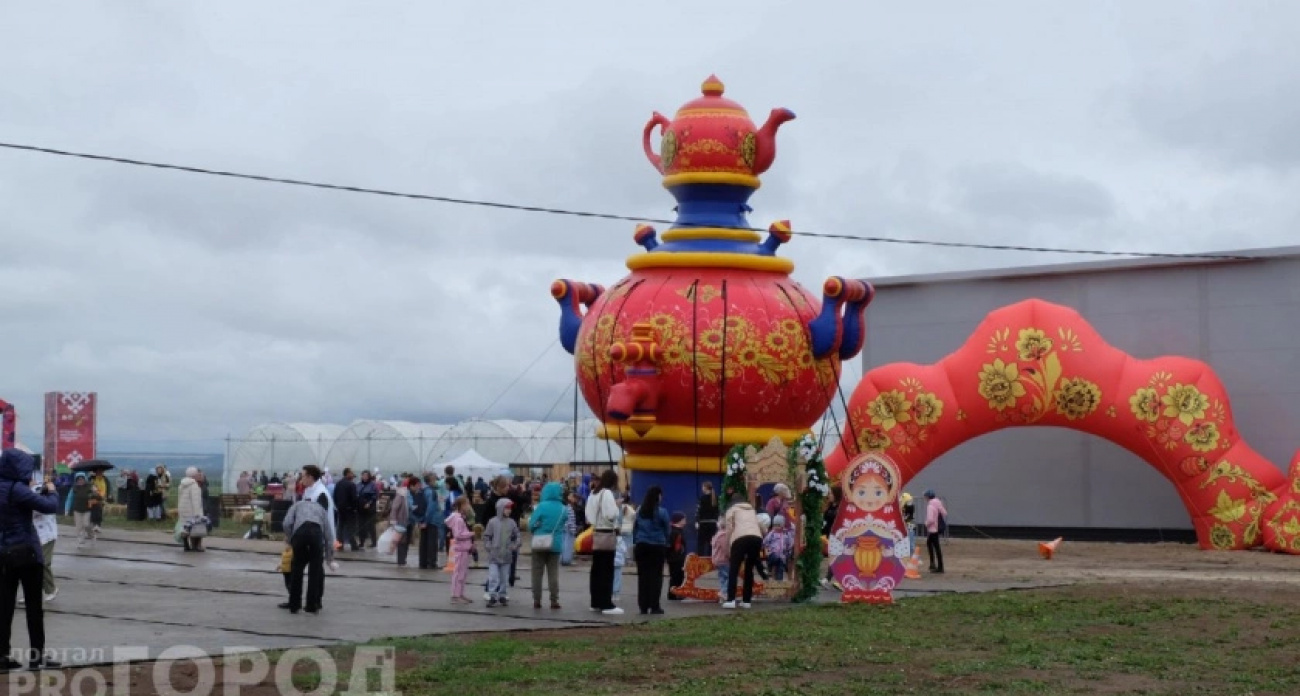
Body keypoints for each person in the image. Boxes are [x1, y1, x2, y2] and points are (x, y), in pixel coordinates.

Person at [0, 448, 62, 670]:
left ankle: (2, 656)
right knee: (34, 607)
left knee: (4, 607)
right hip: (27, 553)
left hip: (4, 553)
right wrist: (52, 491)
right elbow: (50, 507)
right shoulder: (17, 489)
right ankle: (37, 657)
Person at [280, 483, 339, 614]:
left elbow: (286, 523)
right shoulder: (320, 509)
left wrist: (290, 538)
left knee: (297, 569)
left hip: (299, 535)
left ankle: (294, 605)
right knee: (315, 570)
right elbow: (329, 535)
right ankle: (312, 605)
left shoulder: (296, 505)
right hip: (316, 535)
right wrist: (330, 558)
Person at [585, 470, 623, 615]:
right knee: (607, 570)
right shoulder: (607, 493)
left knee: (596, 570)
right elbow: (611, 514)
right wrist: (616, 505)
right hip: (607, 533)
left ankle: (595, 602)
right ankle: (606, 603)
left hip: (596, 532)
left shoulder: (593, 493)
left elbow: (589, 515)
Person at [723, 494, 765, 609]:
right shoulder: (752, 511)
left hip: (739, 538)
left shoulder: (732, 510)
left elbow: (729, 529)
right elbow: (762, 526)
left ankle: (731, 599)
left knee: (734, 569)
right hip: (756, 538)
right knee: (749, 569)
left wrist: (727, 546)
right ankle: (746, 601)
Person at [528, 482, 566, 609]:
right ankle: (554, 600)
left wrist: (537, 528)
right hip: (555, 544)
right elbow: (563, 523)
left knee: (537, 573)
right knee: (553, 573)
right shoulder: (563, 508)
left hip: (539, 542)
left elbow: (531, 524)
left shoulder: (541, 506)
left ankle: (537, 600)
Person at [632, 486, 670, 615]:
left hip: (641, 545)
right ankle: (655, 606)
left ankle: (643, 605)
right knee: (656, 577)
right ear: (658, 496)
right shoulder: (662, 512)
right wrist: (665, 541)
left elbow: (635, 528)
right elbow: (667, 530)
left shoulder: (639, 512)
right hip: (657, 546)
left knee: (643, 577)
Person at [483, 499, 520, 607]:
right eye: (507, 508)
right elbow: (487, 536)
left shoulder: (512, 522)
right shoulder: (492, 522)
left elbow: (517, 535)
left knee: (504, 577)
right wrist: (489, 547)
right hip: (494, 555)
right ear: (500, 508)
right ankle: (492, 595)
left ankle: (502, 594)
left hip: (506, 555)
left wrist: (515, 545)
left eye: (510, 508)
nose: (509, 510)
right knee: (493, 576)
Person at [31, 473, 58, 604]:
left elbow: (45, 507)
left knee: (43, 563)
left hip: (47, 534)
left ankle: (51, 589)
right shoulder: (23, 491)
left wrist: (51, 490)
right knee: (30, 564)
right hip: (33, 535)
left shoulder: (42, 492)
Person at [446, 496, 475, 604]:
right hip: (461, 549)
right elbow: (458, 535)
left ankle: (460, 593)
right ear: (461, 505)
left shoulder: (461, 518)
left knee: (463, 573)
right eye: (467, 504)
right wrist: (471, 534)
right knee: (458, 573)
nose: (468, 506)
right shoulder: (458, 519)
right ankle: (455, 595)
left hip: (464, 549)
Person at [65, 473, 101, 548]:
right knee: (79, 526)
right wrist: (67, 509)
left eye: (82, 479)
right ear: (76, 480)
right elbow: (69, 498)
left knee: (86, 524)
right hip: (77, 510)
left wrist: (95, 491)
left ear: (85, 479)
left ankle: (92, 536)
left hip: (87, 509)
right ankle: (80, 539)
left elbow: (98, 496)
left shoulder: (90, 486)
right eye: (78, 479)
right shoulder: (74, 488)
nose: (80, 481)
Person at [176, 467, 206, 552]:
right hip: (192, 510)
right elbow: (195, 501)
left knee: (185, 528)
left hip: (183, 510)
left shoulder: (182, 484)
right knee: (195, 528)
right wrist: (198, 514)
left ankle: (186, 545)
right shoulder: (194, 486)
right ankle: (196, 546)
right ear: (194, 475)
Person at [388, 476, 412, 567]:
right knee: (402, 542)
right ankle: (401, 560)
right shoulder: (401, 495)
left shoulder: (407, 495)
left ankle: (403, 560)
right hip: (401, 522)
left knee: (405, 541)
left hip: (407, 521)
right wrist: (393, 520)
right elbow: (394, 508)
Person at [333, 468, 359, 552]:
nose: (353, 476)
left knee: (340, 527)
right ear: (347, 474)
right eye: (351, 474)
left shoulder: (338, 484)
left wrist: (338, 505)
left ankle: (339, 546)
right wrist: (355, 508)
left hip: (340, 509)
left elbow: (335, 496)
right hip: (349, 509)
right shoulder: (351, 485)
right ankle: (354, 546)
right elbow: (354, 498)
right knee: (351, 528)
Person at [763, 515, 794, 581]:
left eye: (778, 525)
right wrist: (766, 548)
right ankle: (769, 567)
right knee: (775, 557)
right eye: (775, 525)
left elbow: (789, 543)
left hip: (782, 556)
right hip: (772, 553)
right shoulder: (772, 533)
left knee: (780, 567)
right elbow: (765, 541)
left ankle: (779, 582)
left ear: (782, 526)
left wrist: (788, 549)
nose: (776, 527)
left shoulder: (785, 534)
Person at [925, 489, 948, 573]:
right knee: (934, 546)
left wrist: (926, 524)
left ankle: (935, 565)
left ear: (927, 496)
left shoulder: (930, 506)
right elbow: (945, 513)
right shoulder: (938, 503)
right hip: (938, 528)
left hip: (933, 529)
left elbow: (930, 519)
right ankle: (937, 565)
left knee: (931, 545)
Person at [666, 511, 688, 600]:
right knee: (676, 576)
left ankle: (677, 592)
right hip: (675, 558)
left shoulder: (678, 531)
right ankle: (673, 593)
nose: (685, 521)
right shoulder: (675, 532)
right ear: (679, 521)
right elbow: (673, 546)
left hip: (678, 557)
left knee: (679, 575)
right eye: (684, 519)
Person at [356, 470, 379, 549]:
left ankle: (374, 542)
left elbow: (375, 495)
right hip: (360, 508)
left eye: (366, 475)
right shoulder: (359, 485)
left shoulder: (372, 485)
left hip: (369, 508)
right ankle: (361, 542)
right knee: (361, 525)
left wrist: (369, 503)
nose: (364, 477)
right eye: (363, 475)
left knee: (370, 525)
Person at [696, 481, 719, 557]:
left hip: (703, 524)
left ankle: (700, 561)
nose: (702, 488)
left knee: (701, 544)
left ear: (705, 488)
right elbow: (718, 511)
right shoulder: (716, 498)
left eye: (703, 487)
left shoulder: (702, 498)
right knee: (711, 544)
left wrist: (696, 521)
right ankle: (710, 560)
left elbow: (698, 511)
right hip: (713, 524)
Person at [711, 519, 730, 604]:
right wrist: (730, 555)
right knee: (729, 577)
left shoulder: (717, 535)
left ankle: (722, 597)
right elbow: (725, 549)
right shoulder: (724, 535)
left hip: (717, 559)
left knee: (722, 577)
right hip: (724, 559)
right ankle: (723, 592)